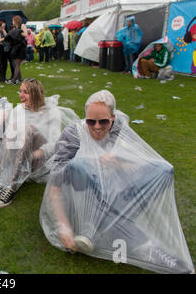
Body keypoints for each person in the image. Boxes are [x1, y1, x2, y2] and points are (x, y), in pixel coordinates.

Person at [39, 90, 195, 274]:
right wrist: (63, 225)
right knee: (79, 163)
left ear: (112, 118)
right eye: (91, 121)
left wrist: (117, 161)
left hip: (113, 192)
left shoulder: (119, 129)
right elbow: (55, 187)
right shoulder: (73, 134)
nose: (96, 127)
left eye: (103, 121)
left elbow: (136, 167)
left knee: (163, 169)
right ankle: (147, 247)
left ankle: (99, 226)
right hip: (81, 197)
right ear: (85, 117)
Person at [0, 79, 79, 208]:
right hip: (17, 157)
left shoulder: (51, 112)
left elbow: (56, 143)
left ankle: (11, 185)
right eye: (20, 91)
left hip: (38, 159)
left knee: (26, 128)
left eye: (26, 92)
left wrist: (34, 155)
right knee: (13, 127)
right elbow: (8, 141)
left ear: (36, 94)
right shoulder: (18, 109)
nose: (21, 95)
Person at [4, 15, 27, 85]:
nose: (12, 22)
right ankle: (19, 79)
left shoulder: (22, 25)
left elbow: (25, 34)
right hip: (16, 47)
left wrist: (18, 31)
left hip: (20, 47)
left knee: (16, 64)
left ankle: (14, 80)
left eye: (13, 20)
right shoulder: (15, 28)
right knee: (16, 63)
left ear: (16, 21)